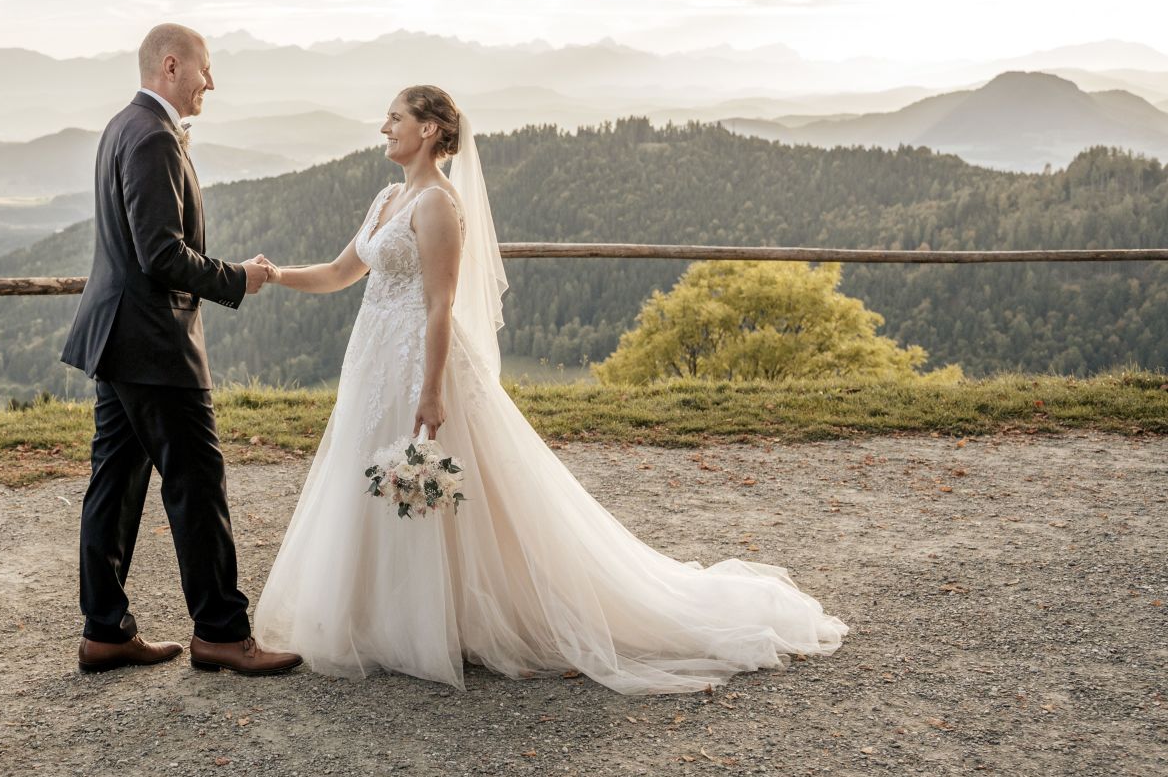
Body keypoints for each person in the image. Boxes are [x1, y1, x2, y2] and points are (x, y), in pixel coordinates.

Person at [251, 85, 848, 692]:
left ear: (428, 130)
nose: (384, 127)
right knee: (368, 482)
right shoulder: (387, 198)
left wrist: (431, 391)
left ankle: (441, 623)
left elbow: (439, 305)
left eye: (395, 117)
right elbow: (341, 272)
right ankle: (381, 618)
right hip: (373, 363)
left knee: (444, 489)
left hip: (418, 364)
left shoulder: (436, 205)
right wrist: (274, 276)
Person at [61, 23, 302, 676]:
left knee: (115, 484)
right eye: (205, 68)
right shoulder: (152, 137)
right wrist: (237, 278)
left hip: (120, 338)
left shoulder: (123, 125)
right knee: (197, 482)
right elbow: (161, 254)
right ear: (171, 66)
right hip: (152, 344)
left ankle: (105, 631)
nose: (211, 83)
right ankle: (221, 632)